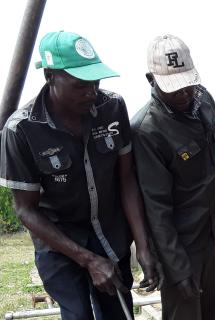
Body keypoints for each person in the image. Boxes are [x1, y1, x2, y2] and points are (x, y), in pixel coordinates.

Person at [0, 31, 160, 320]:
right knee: (78, 315)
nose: (91, 92)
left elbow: (126, 181)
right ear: (50, 76)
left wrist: (144, 247)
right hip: (58, 242)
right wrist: (88, 260)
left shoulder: (112, 107)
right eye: (79, 85)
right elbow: (25, 210)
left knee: (119, 315)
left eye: (95, 82)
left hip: (111, 234)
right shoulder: (21, 130)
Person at [131, 34, 215, 320]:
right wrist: (177, 269)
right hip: (178, 244)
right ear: (150, 79)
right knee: (185, 313)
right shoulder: (147, 130)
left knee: (213, 310)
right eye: (174, 88)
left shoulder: (204, 100)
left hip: (209, 234)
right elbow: (156, 208)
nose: (184, 94)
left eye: (188, 84)